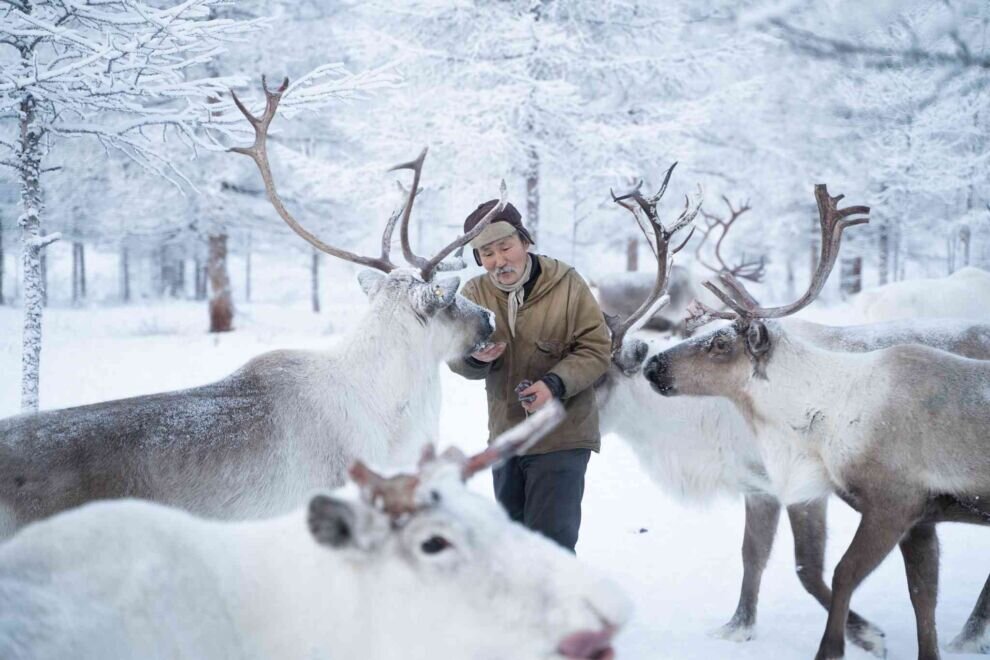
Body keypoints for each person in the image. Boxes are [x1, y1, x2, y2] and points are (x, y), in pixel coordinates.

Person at [448, 200, 611, 553]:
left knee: (550, 549)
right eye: (486, 253)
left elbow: (597, 348)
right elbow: (455, 357)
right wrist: (473, 357)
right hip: (507, 438)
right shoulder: (474, 294)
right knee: (512, 548)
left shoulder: (567, 284)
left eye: (505, 247)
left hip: (562, 436)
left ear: (525, 241)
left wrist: (554, 384)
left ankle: (561, 609)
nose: (499, 261)